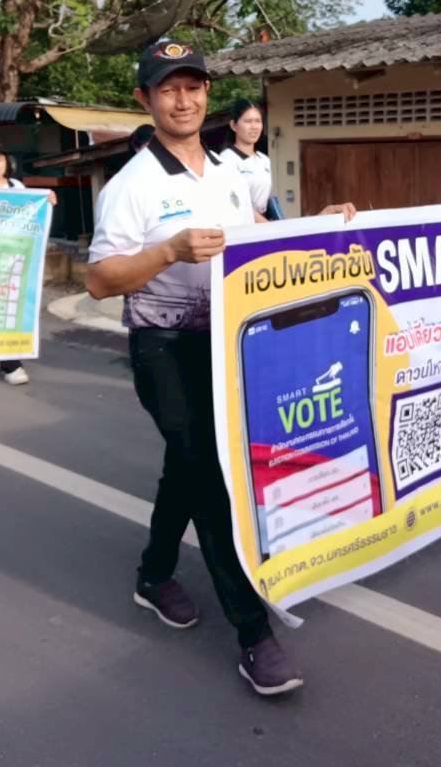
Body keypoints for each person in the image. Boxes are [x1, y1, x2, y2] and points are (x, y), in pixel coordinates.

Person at [86, 39, 355, 697]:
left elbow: (259, 240)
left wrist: (314, 228)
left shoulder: (230, 174)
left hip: (231, 345)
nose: (183, 100)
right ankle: (253, 634)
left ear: (207, 93)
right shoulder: (131, 186)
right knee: (211, 475)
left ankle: (154, 575)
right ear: (145, 99)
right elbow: (98, 279)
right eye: (168, 89)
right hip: (164, 348)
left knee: (188, 465)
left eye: (193, 86)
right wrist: (168, 252)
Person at [0, 140, 56, 386]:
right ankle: (2, 356)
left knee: (9, 308)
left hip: (14, 260)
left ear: (7, 163)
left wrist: (46, 199)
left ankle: (10, 362)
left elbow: (32, 216)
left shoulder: (18, 187)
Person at [217, 100, 272, 215]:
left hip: (263, 220)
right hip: (241, 221)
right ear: (233, 125)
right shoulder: (226, 160)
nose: (254, 127)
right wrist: (264, 223)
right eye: (248, 121)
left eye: (258, 121)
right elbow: (234, 202)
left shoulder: (264, 160)